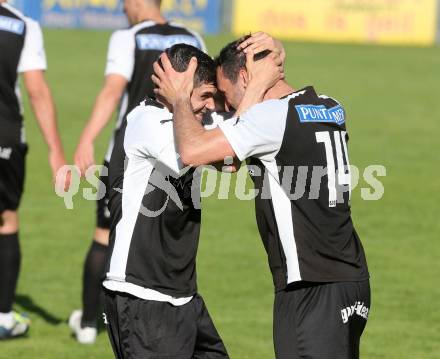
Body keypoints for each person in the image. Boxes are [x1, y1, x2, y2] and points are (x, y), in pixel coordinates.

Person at [153, 33, 371, 359]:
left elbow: (193, 150)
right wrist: (261, 78)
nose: (227, 108)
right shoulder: (329, 107)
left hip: (308, 288)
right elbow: (234, 160)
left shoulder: (271, 120)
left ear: (245, 76)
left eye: (226, 95)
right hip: (353, 281)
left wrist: (181, 97)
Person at [69, 0, 206, 344]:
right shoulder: (191, 37)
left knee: (106, 234)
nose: (122, 9)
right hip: (180, 153)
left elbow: (113, 90)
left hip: (129, 156)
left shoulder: (128, 36)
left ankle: (88, 323)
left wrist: (86, 138)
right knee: (164, 234)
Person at [102, 44, 240, 359]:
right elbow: (191, 153)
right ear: (178, 86)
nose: (210, 105)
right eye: (205, 95)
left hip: (181, 295)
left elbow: (232, 158)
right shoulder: (147, 119)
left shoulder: (189, 122)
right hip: (141, 293)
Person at [0, 0, 68, 339]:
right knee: (6, 219)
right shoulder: (23, 25)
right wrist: (55, 150)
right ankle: (3, 316)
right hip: (6, 137)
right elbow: (37, 91)